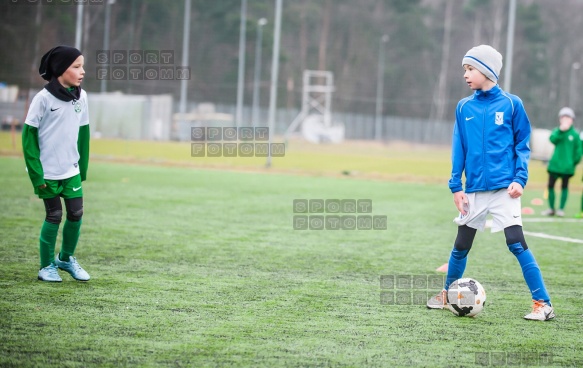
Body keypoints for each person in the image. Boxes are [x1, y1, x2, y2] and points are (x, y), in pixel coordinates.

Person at [426, 45, 554, 321]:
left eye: (470, 69)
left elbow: (523, 144)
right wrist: (456, 186)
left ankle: (543, 303)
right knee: (461, 245)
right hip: (473, 190)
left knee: (516, 242)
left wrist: (520, 178)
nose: (466, 75)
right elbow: (458, 147)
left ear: (487, 71)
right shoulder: (464, 107)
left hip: (504, 190)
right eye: (464, 70)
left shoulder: (511, 104)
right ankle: (448, 296)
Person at [22, 45, 91, 282]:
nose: (82, 71)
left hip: (71, 170)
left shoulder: (82, 96)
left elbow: (83, 133)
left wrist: (82, 169)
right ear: (61, 69)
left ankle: (66, 258)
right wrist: (36, 175)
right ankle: (46, 266)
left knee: (76, 214)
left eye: (82, 66)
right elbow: (28, 138)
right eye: (77, 66)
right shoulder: (42, 99)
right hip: (47, 172)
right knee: (54, 216)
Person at [541, 107, 581, 217]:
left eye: (568, 117)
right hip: (555, 165)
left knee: (564, 187)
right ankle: (551, 208)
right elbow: (552, 139)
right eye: (563, 117)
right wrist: (560, 130)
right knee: (550, 186)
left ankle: (561, 209)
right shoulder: (557, 131)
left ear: (572, 120)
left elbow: (578, 152)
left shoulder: (575, 135)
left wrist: (572, 163)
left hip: (567, 167)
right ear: (560, 119)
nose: (565, 119)